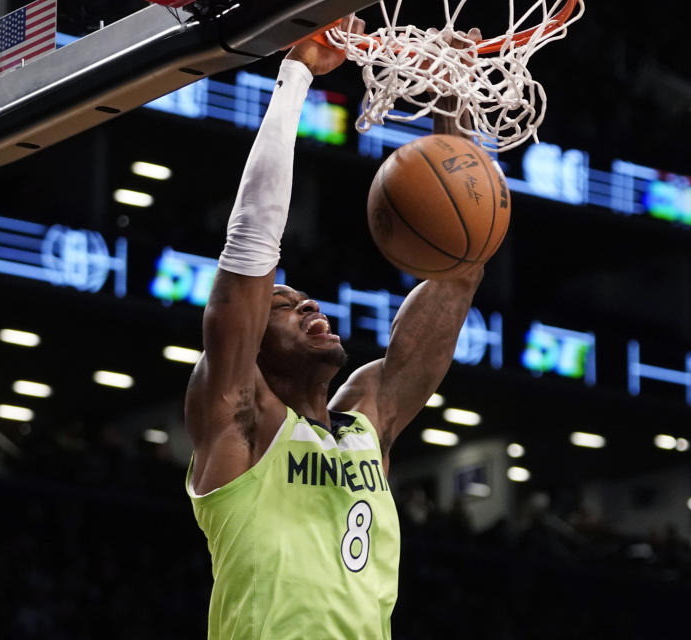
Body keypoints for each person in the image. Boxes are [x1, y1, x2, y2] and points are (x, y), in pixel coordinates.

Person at [183, 17, 488, 640]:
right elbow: (249, 248)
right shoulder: (240, 424)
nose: (308, 305)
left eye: (305, 299)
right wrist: (295, 73)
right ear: (252, 348)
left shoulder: (367, 421)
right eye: (284, 305)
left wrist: (451, 103)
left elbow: (459, 272)